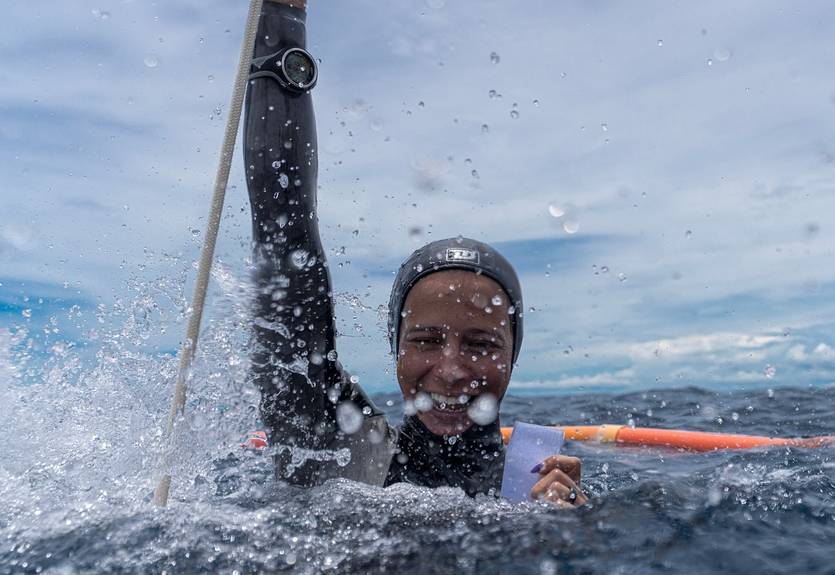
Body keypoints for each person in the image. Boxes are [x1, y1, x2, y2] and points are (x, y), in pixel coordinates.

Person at [244, 0, 587, 508]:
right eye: (426, 340)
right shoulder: (338, 448)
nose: (450, 370)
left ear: (512, 353)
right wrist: (282, 16)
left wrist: (567, 534)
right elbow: (284, 231)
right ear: (396, 344)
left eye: (480, 344)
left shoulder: (538, 484)